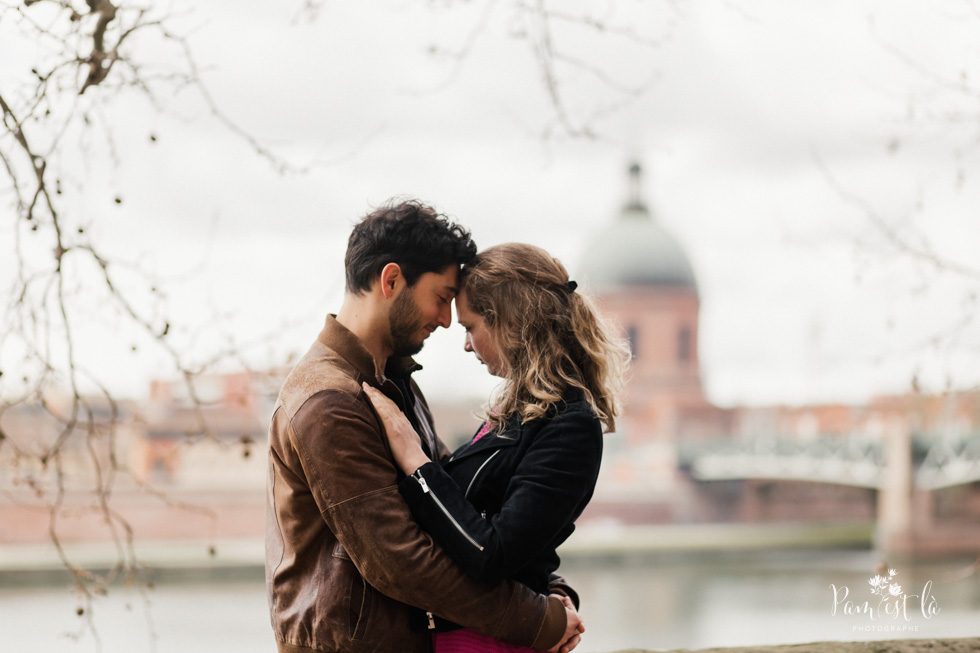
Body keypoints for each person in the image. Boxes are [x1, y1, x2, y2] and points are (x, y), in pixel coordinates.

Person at [265, 201, 583, 653]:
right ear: (391, 281)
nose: (447, 320)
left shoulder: (393, 384)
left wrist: (549, 589)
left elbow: (456, 511)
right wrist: (539, 620)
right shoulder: (329, 402)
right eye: (442, 297)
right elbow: (402, 559)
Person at [363, 242, 629, 653]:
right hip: (471, 634)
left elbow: (492, 552)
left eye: (471, 327)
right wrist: (555, 592)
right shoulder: (518, 413)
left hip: (492, 642)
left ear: (510, 322)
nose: (466, 344)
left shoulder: (570, 426)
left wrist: (416, 462)